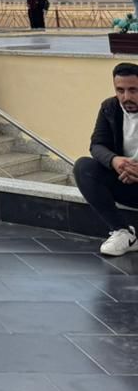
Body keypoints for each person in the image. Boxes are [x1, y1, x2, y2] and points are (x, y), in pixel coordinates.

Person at [73, 62, 138, 257]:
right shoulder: (110, 107)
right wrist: (116, 161)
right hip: (125, 180)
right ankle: (122, 232)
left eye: (133, 90)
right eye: (120, 90)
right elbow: (97, 145)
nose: (126, 97)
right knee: (83, 167)